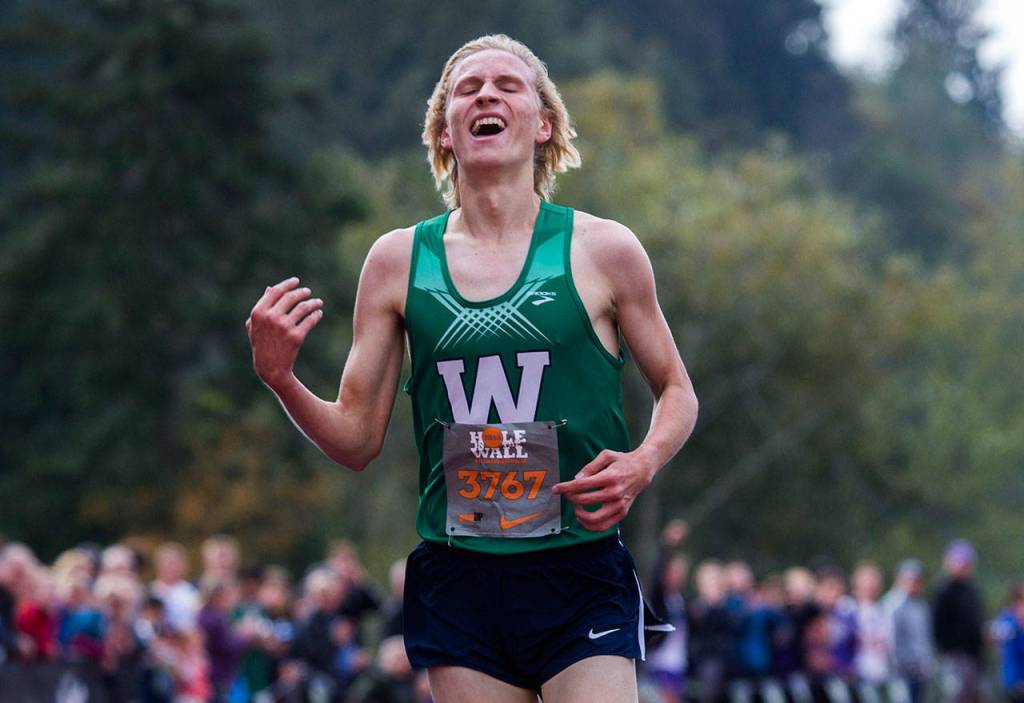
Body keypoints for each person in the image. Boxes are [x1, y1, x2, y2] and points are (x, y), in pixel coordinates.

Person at [246, 33, 698, 702]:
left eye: (508, 85)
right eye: (467, 88)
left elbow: (677, 390)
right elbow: (354, 438)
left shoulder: (604, 250)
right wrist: (280, 377)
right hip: (462, 579)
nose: (486, 93)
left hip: (579, 568)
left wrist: (643, 460)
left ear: (543, 124)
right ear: (447, 132)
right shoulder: (398, 262)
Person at [932, 539, 984, 703]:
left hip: (973, 655)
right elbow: (936, 626)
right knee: (955, 696)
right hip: (953, 656)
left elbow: (975, 621)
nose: (963, 566)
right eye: (959, 562)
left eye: (966, 563)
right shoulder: (943, 590)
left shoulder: (971, 589)